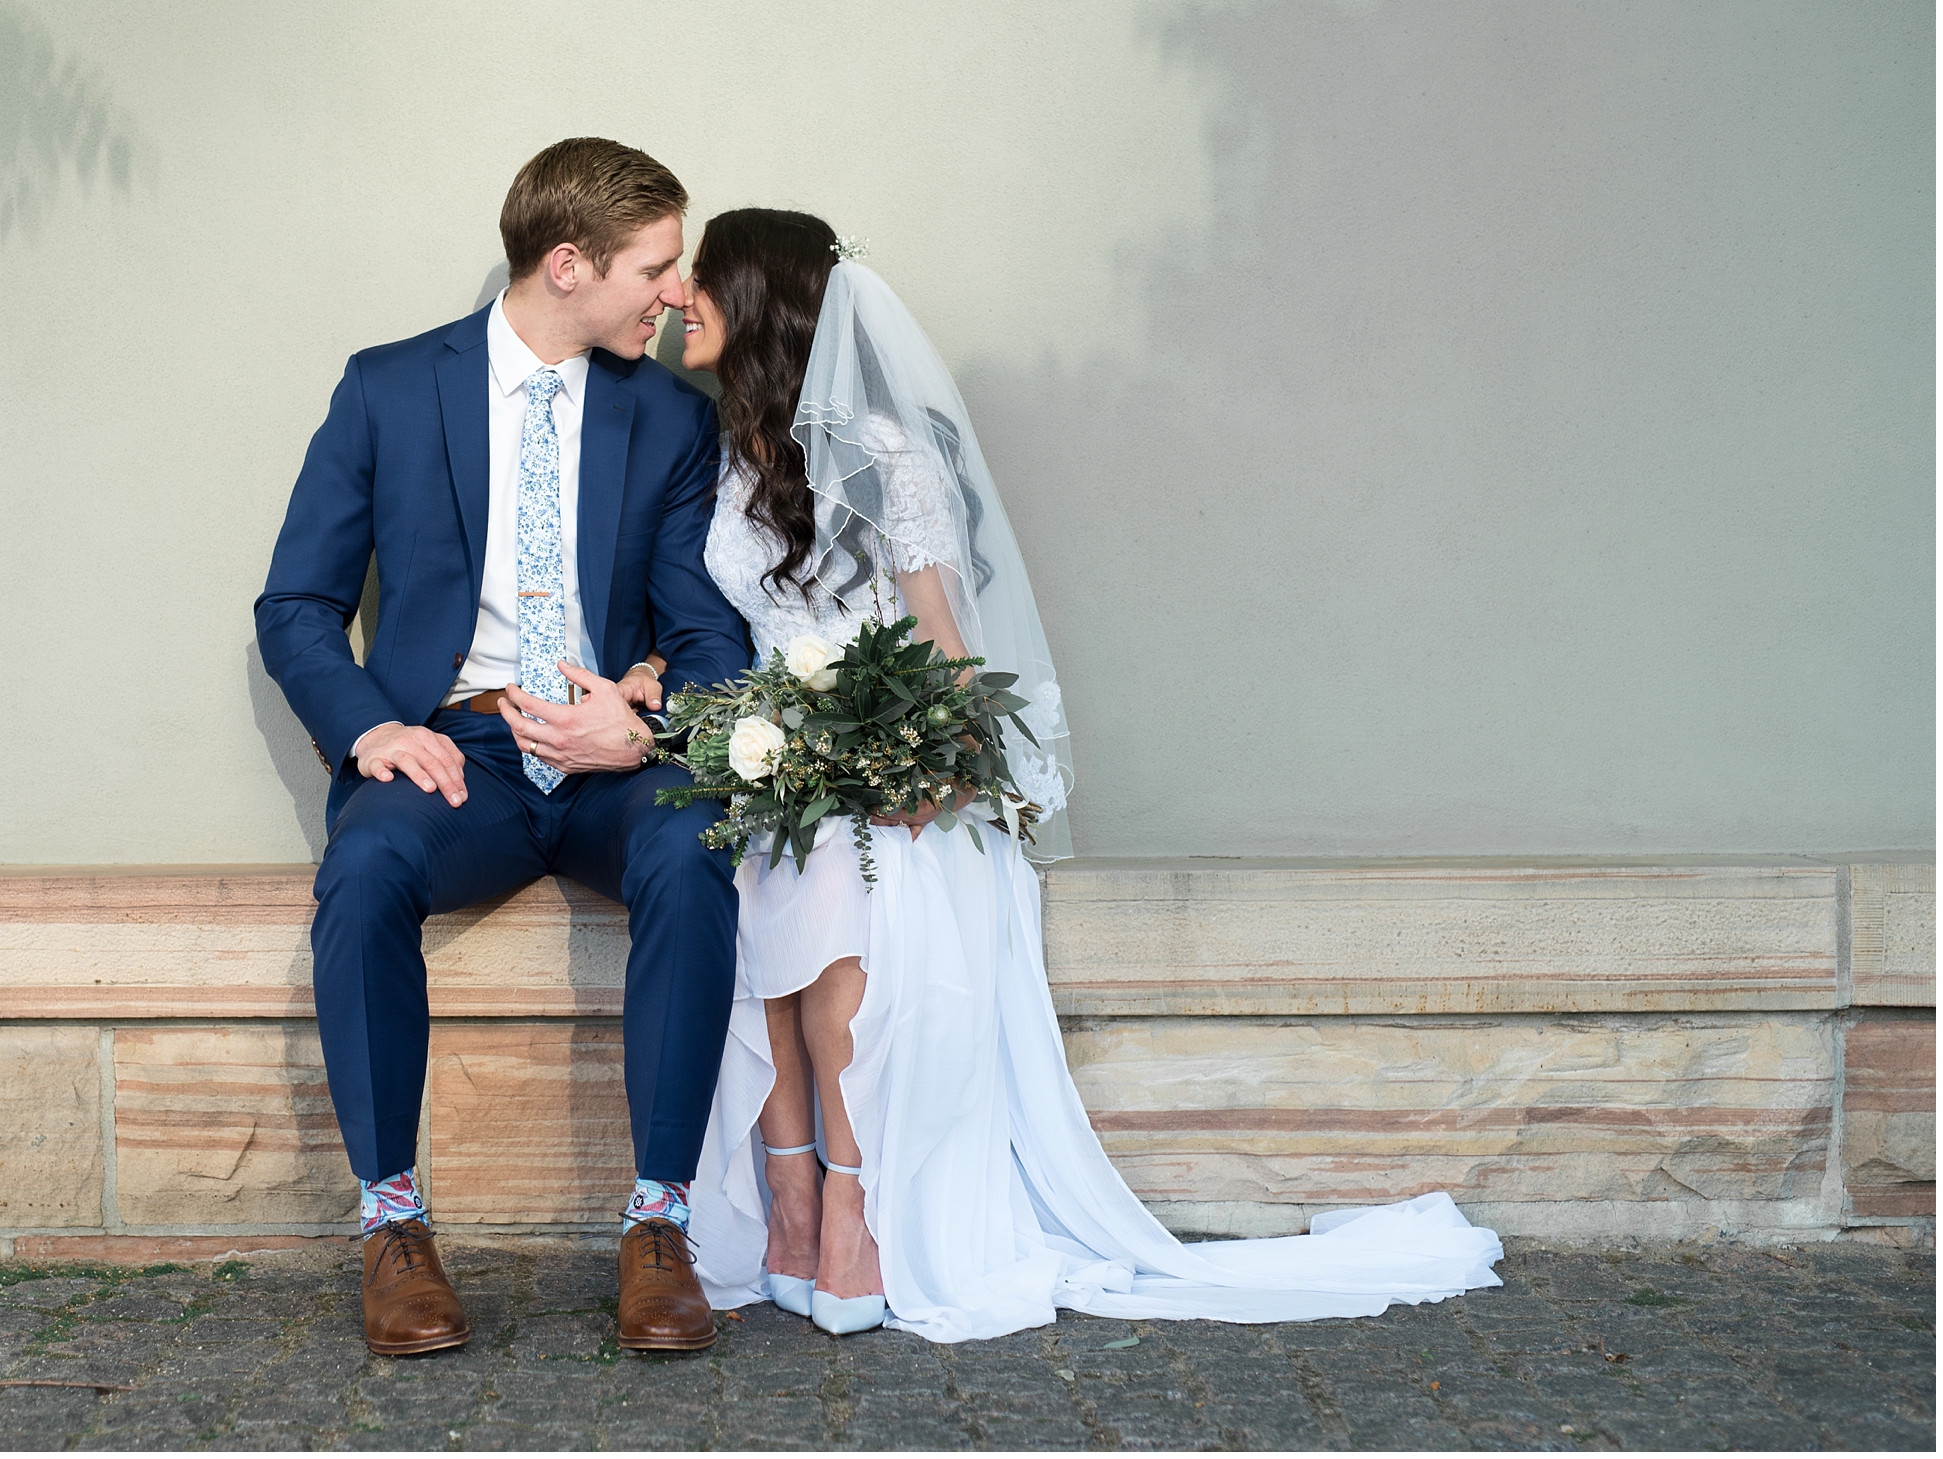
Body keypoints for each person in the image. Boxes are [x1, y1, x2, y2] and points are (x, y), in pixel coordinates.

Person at [675, 208, 1505, 1341]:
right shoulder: (735, 454)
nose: (680, 295)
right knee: (750, 868)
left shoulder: (880, 450)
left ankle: (853, 1208)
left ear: (757, 300)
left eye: (702, 278)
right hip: (782, 753)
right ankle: (789, 1193)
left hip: (889, 769)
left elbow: (945, 646)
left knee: (821, 878)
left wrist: (926, 765)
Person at [254, 139, 752, 1355]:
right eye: (657, 267)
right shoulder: (385, 388)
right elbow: (296, 606)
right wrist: (372, 726)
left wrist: (638, 726)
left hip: (608, 767)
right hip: (454, 755)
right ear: (569, 264)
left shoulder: (672, 423)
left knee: (695, 852)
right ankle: (392, 1226)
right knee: (364, 872)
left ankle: (659, 1225)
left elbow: (706, 634)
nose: (676, 295)